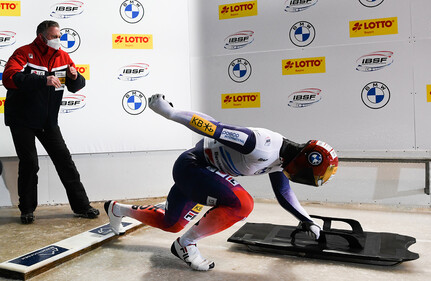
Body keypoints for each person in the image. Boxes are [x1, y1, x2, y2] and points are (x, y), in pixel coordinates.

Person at [105, 94, 339, 271]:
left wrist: (307, 221)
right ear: (303, 160)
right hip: (193, 167)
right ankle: (186, 245)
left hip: (203, 175)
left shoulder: (283, 160)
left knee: (171, 223)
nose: (298, 176)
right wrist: (170, 113)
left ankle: (117, 209)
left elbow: (283, 192)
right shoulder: (261, 144)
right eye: (303, 173)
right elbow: (213, 127)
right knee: (242, 204)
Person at [2, 20, 99, 224]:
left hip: (48, 121)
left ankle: (82, 206)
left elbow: (76, 86)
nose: (58, 40)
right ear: (42, 36)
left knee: (65, 161)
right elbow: (9, 78)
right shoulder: (23, 53)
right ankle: (27, 210)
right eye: (54, 36)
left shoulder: (63, 56)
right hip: (22, 119)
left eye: (59, 36)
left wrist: (75, 77)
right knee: (30, 164)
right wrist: (42, 79)